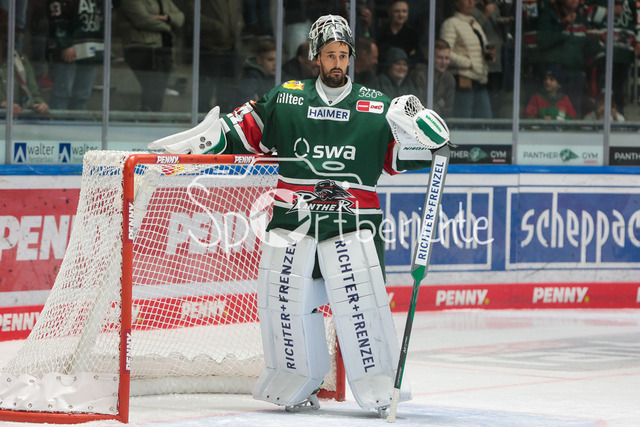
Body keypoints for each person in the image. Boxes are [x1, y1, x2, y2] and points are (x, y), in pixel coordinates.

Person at [148, 14, 451, 413]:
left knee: (360, 305)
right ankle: (294, 379)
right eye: (330, 55)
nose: (337, 62)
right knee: (284, 301)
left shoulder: (377, 107)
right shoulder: (286, 99)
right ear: (315, 57)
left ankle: (380, 386)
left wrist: (426, 134)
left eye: (343, 54)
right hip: (293, 222)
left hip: (352, 223)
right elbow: (239, 132)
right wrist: (198, 145)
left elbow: (412, 155)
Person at [535, 0, 599, 117]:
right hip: (556, 75)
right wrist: (562, 25)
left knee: (573, 113)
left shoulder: (582, 18)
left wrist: (593, 39)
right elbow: (542, 41)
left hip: (577, 74)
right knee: (556, 113)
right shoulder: (550, 14)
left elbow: (588, 49)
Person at [118, 0, 184, 112]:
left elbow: (180, 17)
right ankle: (148, 115)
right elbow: (142, 19)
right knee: (153, 85)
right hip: (141, 47)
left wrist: (166, 18)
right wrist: (168, 26)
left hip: (164, 47)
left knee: (159, 87)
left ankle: (153, 115)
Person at [440, 0, 495, 118]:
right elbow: (444, 53)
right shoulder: (451, 23)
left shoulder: (475, 24)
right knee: (464, 121)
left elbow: (479, 51)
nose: (470, 3)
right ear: (457, 3)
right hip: (463, 80)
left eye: (472, 0)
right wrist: (469, 63)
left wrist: (488, 56)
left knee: (486, 122)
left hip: (480, 80)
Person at [186, 0, 242, 113]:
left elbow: (237, 12)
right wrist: (217, 27)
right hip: (209, 46)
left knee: (227, 93)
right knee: (206, 92)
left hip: (230, 46)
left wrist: (238, 25)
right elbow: (191, 13)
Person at [585, 0, 640, 116]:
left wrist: (638, 41)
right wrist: (608, 11)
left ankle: (618, 117)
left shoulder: (631, 2)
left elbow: (637, 24)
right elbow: (588, 14)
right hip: (602, 51)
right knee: (602, 89)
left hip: (624, 53)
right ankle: (598, 117)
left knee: (618, 89)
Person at [47, 0, 104, 110]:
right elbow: (57, 17)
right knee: (62, 93)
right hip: (71, 46)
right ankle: (58, 119)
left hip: (90, 45)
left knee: (82, 95)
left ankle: (78, 119)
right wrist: (65, 43)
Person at [0, 8, 49, 117]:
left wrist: (40, 104)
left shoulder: (20, 59)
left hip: (19, 121)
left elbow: (34, 93)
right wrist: (2, 105)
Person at [411, 39, 455, 118]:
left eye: (447, 58)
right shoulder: (419, 75)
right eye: (440, 58)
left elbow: (448, 109)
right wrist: (438, 105)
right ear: (430, 57)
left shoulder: (449, 78)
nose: (444, 62)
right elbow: (418, 107)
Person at [236, 37, 276, 103]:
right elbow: (247, 102)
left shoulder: (279, 74)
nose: (275, 64)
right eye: (270, 60)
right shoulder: (250, 77)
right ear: (259, 60)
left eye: (278, 59)